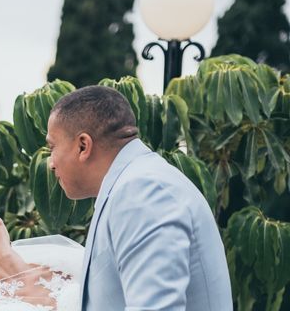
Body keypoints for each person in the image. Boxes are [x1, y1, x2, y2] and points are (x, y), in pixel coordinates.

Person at [47, 85, 233, 310]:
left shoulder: (142, 192)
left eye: (52, 147)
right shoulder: (132, 184)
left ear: (83, 146)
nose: (50, 163)